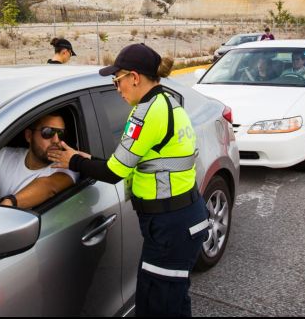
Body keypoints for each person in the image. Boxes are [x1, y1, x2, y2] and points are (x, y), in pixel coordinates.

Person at [47, 43, 208, 317]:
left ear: (134, 77)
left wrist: (72, 161)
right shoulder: (165, 100)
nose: (116, 88)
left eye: (117, 80)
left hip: (170, 226)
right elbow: (132, 161)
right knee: (169, 299)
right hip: (179, 220)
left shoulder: (147, 113)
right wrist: (85, 157)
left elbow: (114, 172)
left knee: (158, 306)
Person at [0, 112, 78, 210]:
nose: (56, 140)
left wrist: (9, 203)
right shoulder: (4, 156)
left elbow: (49, 186)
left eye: (61, 134)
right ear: (29, 136)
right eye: (47, 132)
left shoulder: (69, 165)